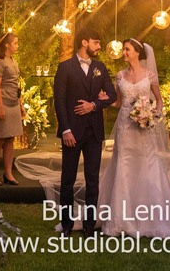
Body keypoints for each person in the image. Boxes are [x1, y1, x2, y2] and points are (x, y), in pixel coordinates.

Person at [98, 39, 170, 237]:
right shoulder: (120, 75)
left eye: (127, 49)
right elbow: (117, 102)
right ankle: (121, 219)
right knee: (124, 167)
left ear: (137, 52)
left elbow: (158, 100)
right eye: (124, 49)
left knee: (146, 167)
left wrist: (154, 116)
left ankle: (150, 217)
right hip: (125, 127)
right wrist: (104, 101)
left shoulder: (150, 75)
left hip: (144, 129)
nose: (123, 52)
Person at [53, 27, 117, 234]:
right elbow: (59, 101)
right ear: (84, 42)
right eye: (96, 42)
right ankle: (66, 224)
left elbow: (112, 94)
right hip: (72, 132)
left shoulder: (100, 67)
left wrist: (94, 105)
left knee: (92, 179)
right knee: (67, 179)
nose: (99, 47)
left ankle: (89, 226)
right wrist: (65, 130)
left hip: (94, 132)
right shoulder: (65, 68)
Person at [0, 32, 23, 185]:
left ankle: (8, 173)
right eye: (15, 43)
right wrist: (0, 107)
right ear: (7, 45)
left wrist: (21, 105)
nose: (17, 45)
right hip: (2, 102)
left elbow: (17, 85)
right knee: (0, 138)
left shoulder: (13, 61)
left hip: (14, 102)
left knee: (10, 138)